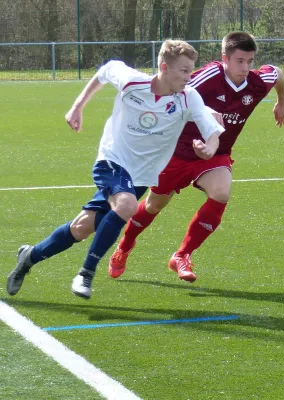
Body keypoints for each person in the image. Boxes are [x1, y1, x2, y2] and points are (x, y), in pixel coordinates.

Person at [7, 39, 225, 299]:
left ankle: (29, 257)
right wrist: (77, 107)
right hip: (111, 160)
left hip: (141, 175)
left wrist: (209, 149)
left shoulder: (188, 98)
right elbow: (105, 71)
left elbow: (212, 130)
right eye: (184, 70)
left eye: (191, 70)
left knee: (81, 227)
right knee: (127, 206)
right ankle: (86, 273)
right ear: (165, 67)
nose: (189, 77)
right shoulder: (132, 81)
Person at [108, 31, 284, 282]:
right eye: (239, 61)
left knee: (222, 192)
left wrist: (282, 101)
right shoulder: (207, 77)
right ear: (224, 58)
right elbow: (169, 90)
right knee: (154, 205)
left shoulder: (257, 81)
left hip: (215, 154)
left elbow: (277, 73)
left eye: (250, 61)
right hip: (175, 152)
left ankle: (182, 255)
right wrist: (203, 110)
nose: (246, 67)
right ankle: (124, 247)